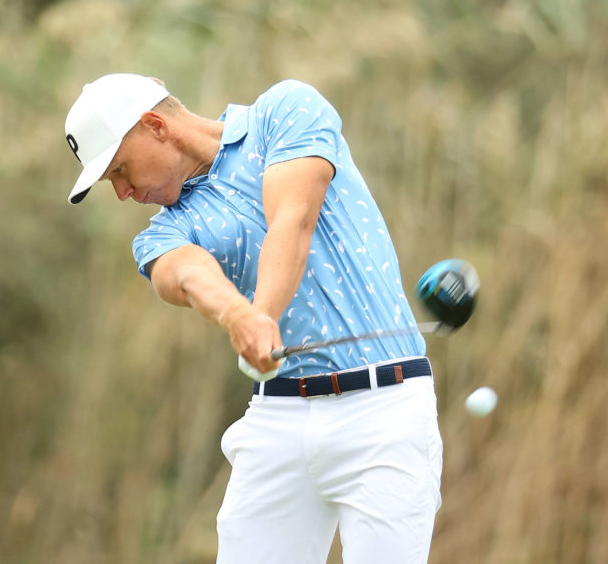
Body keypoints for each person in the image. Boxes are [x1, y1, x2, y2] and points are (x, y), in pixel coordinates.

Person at [64, 73, 443, 564]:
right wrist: (237, 314)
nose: (122, 193)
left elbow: (293, 218)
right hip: (279, 418)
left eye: (118, 171)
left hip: (385, 409)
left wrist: (261, 312)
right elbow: (185, 275)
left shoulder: (286, 112)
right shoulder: (163, 233)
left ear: (155, 125)